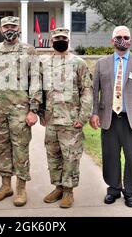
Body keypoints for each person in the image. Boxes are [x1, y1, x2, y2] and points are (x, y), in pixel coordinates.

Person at [89, 26, 132, 208]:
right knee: (110, 156)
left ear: (130, 40)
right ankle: (113, 189)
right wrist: (94, 112)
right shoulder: (102, 63)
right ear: (112, 41)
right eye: (119, 37)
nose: (122, 40)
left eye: (126, 37)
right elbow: (95, 91)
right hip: (108, 118)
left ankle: (130, 192)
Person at [0, 16, 41, 207]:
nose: (9, 29)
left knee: (20, 148)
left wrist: (33, 109)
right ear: (1, 29)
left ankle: (20, 187)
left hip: (20, 110)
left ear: (19, 28)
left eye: (13, 25)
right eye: (6, 26)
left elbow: (35, 79)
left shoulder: (29, 50)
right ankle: (5, 185)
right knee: (1, 148)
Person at [39, 28, 92, 208]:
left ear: (68, 40)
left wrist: (83, 116)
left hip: (71, 120)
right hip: (51, 119)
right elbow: (39, 90)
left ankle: (69, 191)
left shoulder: (79, 63)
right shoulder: (44, 63)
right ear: (51, 40)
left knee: (70, 156)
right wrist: (40, 113)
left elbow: (86, 90)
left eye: (63, 37)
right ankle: (58, 187)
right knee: (53, 155)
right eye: (56, 38)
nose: (60, 40)